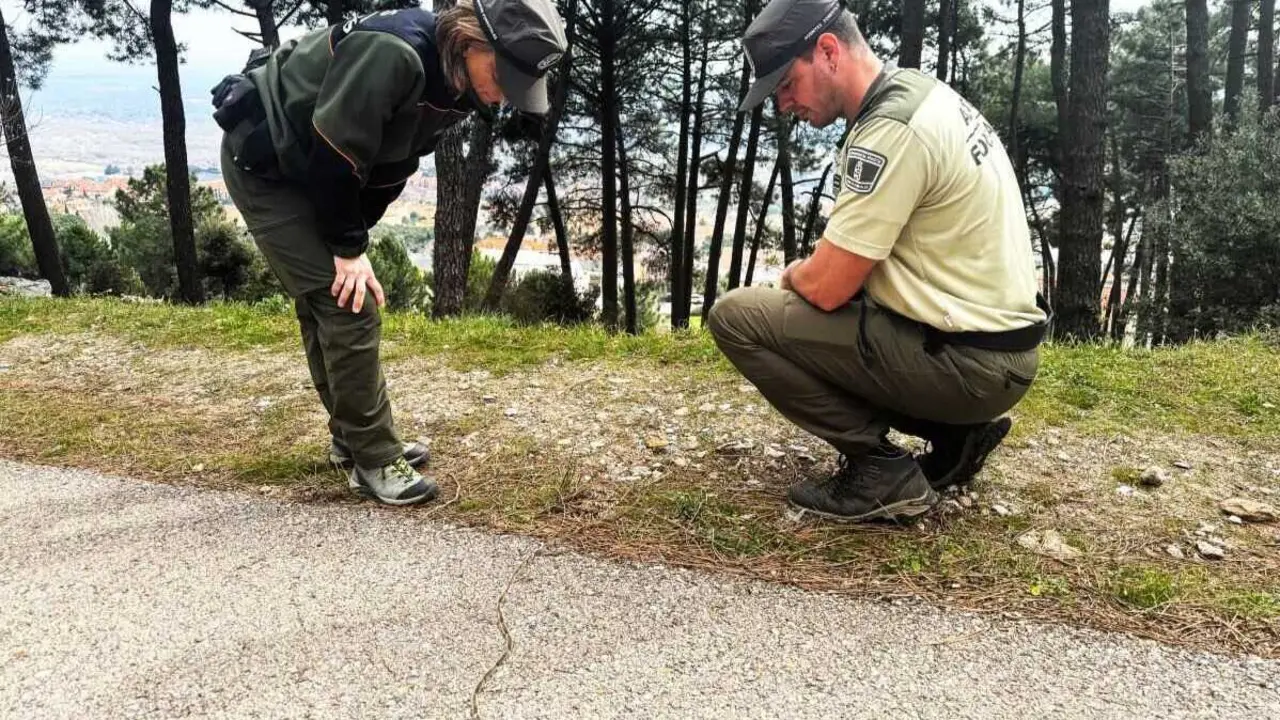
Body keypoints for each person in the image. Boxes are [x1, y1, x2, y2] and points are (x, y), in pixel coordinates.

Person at [211, 0, 567, 506]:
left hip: (315, 167)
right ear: (471, 41)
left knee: (334, 299)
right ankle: (373, 458)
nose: (509, 95)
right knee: (348, 305)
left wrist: (353, 241)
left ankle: (353, 440)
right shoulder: (394, 53)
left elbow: (390, 166)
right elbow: (335, 155)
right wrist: (347, 250)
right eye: (506, 74)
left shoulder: (457, 83)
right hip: (268, 168)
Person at [708, 0, 1050, 523]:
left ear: (827, 51)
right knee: (833, 319)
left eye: (785, 84)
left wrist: (793, 273)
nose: (782, 104)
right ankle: (954, 435)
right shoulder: (922, 94)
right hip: (998, 352)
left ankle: (879, 472)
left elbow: (826, 288)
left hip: (971, 365)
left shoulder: (891, 130)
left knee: (737, 318)